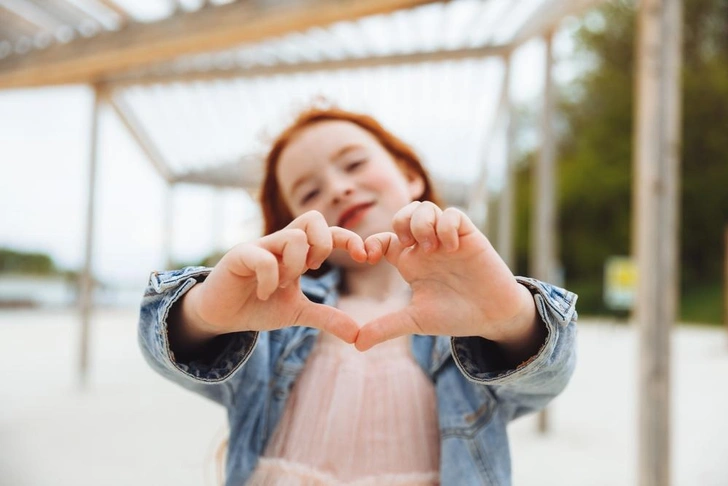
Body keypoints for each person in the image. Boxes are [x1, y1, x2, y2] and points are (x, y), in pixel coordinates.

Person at [138, 106, 578, 486]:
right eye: (309, 192)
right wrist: (202, 316)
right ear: (293, 224)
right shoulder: (275, 315)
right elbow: (171, 354)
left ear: (410, 176)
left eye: (353, 164)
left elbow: (543, 383)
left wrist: (513, 322)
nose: (336, 187)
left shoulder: (465, 317)